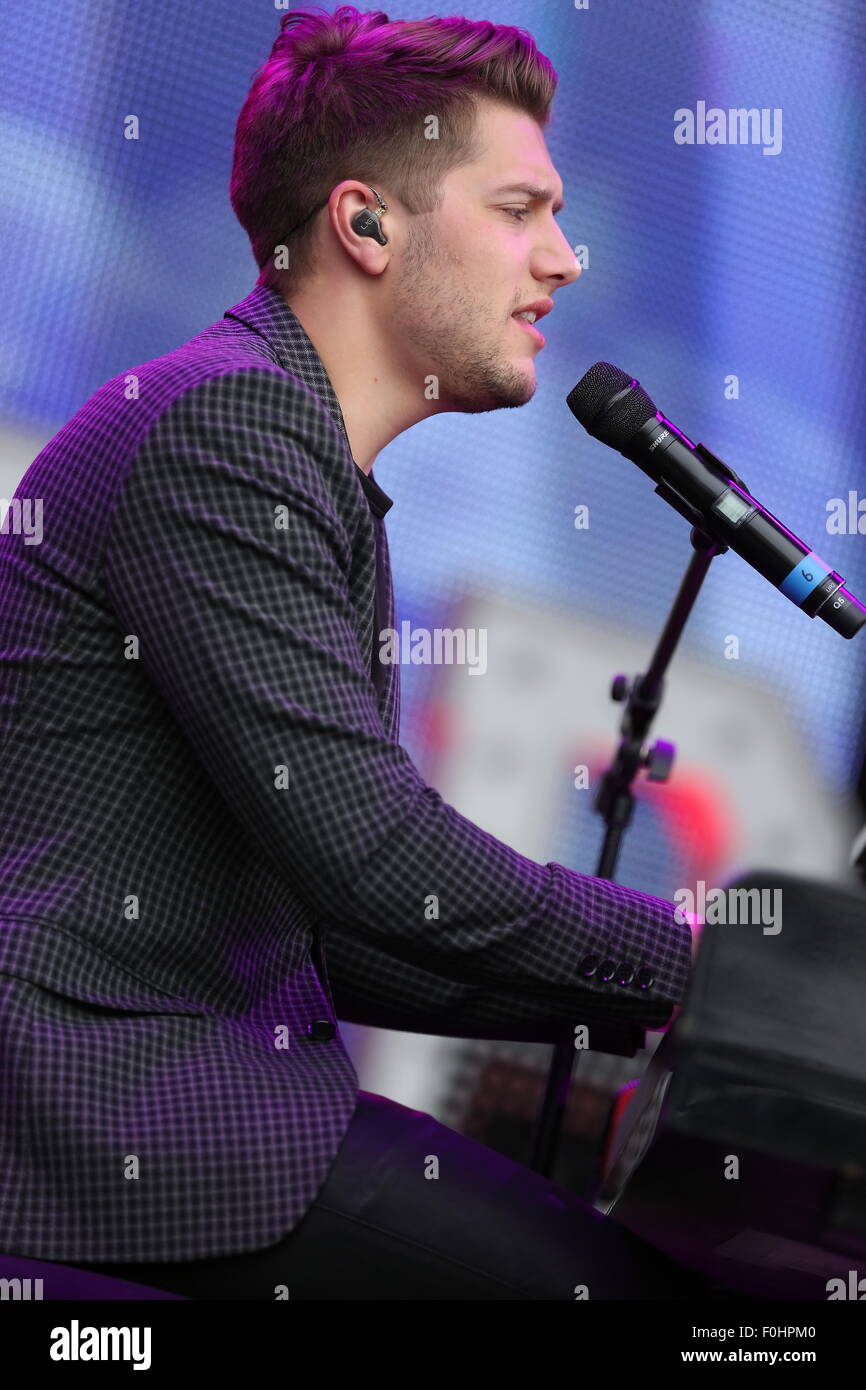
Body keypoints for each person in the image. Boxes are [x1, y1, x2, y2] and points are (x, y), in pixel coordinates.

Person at [0, 6, 717, 1300]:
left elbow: (326, 928)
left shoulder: (289, 447)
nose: (564, 259)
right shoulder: (229, 428)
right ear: (365, 222)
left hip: (164, 1091)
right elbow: (377, 860)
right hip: (104, 1107)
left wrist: (668, 1007)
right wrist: (704, 961)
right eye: (520, 209)